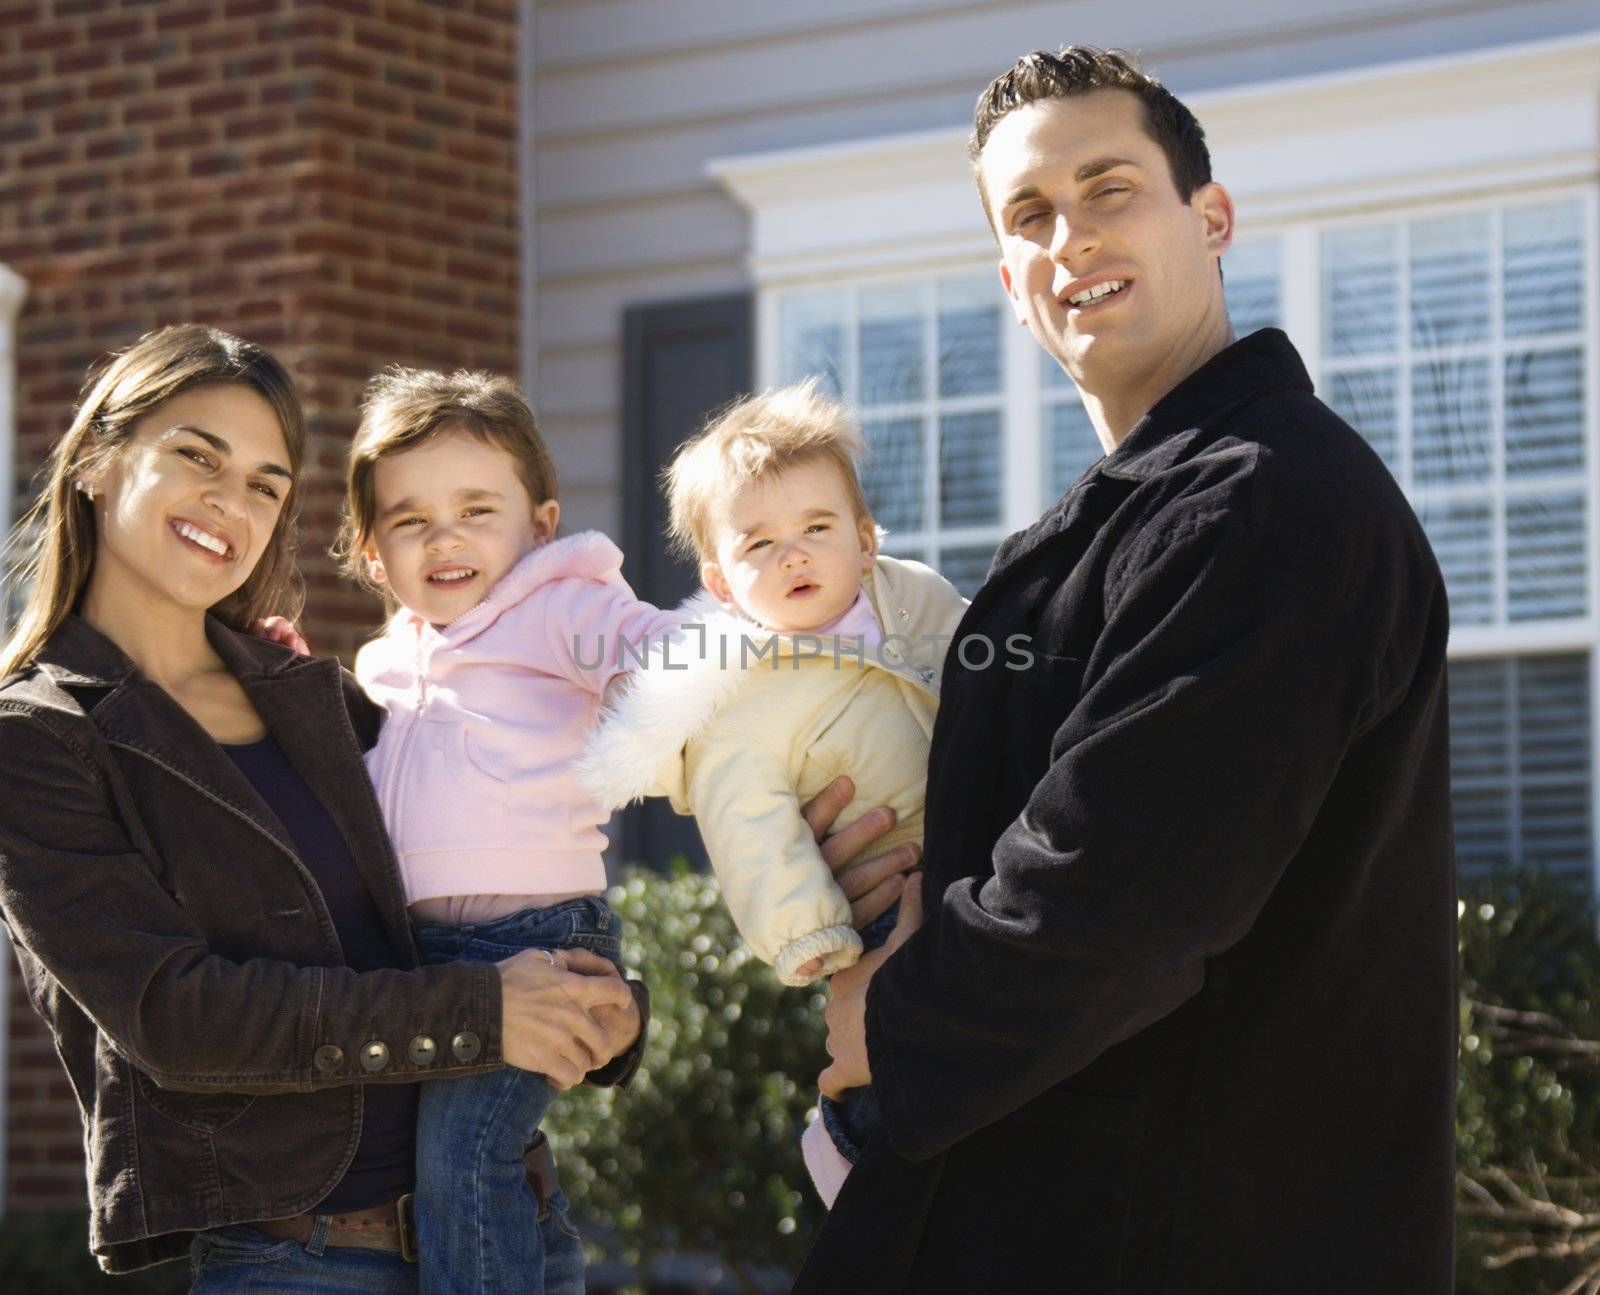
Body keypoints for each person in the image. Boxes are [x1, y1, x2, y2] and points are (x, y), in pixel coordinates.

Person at [795, 47, 1457, 1293]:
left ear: (1209, 218)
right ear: (1009, 278)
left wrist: (888, 1020)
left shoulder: (1264, 499)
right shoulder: (1139, 511)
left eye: (1110, 190)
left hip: (1190, 1229)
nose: (1070, 240)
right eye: (1029, 217)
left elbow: (1119, 897)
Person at [0, 324, 645, 1289]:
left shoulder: (312, 694)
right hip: (303, 1261)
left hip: (516, 1227)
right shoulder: (38, 735)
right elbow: (177, 1017)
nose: (233, 502)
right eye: (197, 456)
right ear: (96, 459)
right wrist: (483, 1009)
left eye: (266, 483)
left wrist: (606, 1007)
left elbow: (474, 877)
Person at [335, 366, 686, 1293]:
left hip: (536, 935)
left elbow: (656, 653)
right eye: (410, 520)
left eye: (476, 509)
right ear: (373, 554)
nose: (444, 537)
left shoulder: (554, 607)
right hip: (426, 960)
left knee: (464, 1163)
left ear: (539, 526)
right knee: (484, 1160)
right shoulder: (384, 664)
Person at [576, 380, 968, 1206]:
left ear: (865, 539)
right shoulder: (740, 700)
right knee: (891, 1043)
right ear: (720, 584)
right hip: (879, 896)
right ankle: (854, 1143)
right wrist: (808, 930)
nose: (793, 555)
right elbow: (747, 822)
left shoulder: (918, 597)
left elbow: (992, 681)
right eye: (759, 544)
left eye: (817, 529)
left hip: (977, 854)